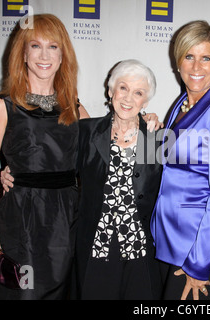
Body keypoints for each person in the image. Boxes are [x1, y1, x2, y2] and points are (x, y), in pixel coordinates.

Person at [0, 14, 88, 299]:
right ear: (23, 54)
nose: (44, 55)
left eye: (53, 47)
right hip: (20, 220)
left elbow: (106, 154)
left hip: (66, 223)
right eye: (35, 46)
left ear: (63, 56)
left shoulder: (74, 107)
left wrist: (142, 122)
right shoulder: (3, 106)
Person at [150, 20, 210, 300]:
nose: (196, 67)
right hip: (168, 238)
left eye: (206, 58)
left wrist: (199, 262)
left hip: (197, 245)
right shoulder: (181, 105)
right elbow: (170, 165)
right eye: (189, 57)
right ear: (178, 61)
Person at [75, 59, 163, 299]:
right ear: (111, 90)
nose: (128, 98)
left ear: (145, 101)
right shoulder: (87, 132)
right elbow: (59, 172)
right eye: (123, 88)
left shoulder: (157, 140)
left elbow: (183, 186)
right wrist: (15, 173)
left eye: (138, 93)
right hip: (96, 246)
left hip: (139, 249)